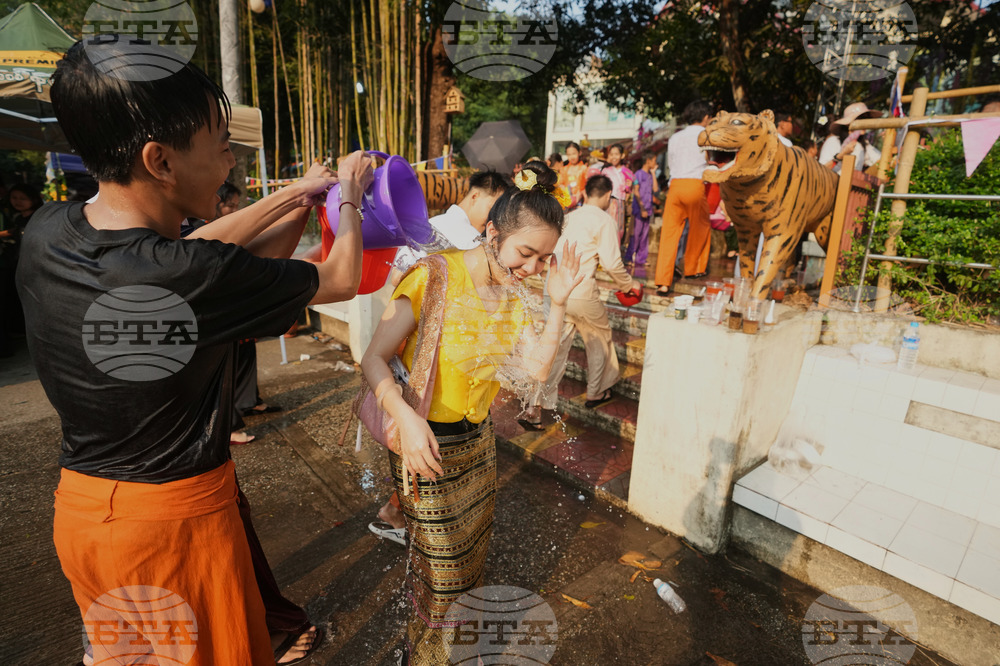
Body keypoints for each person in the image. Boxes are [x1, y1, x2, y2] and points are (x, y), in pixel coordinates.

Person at [20, 39, 374, 665]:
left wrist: (293, 197)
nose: (230, 165)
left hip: (82, 515)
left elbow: (194, 256)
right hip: (174, 529)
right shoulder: (185, 276)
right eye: (220, 148)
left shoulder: (49, 233)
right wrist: (348, 193)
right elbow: (339, 277)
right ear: (160, 161)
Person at [360, 161, 582, 664]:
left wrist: (560, 303)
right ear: (492, 232)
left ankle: (439, 653)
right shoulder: (435, 274)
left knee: (471, 562)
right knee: (443, 576)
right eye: (526, 253)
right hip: (424, 445)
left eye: (543, 260)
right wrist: (408, 418)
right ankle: (425, 658)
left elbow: (537, 372)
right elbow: (372, 359)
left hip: (478, 446)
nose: (531, 268)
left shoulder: (518, 295)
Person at [520, 174, 640, 428]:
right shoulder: (604, 220)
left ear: (585, 194)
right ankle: (597, 391)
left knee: (552, 352)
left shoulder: (569, 216)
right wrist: (630, 285)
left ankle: (534, 407)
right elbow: (612, 263)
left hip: (554, 290)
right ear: (608, 196)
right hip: (580, 291)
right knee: (599, 338)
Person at [654, 100, 712, 295]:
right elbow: (708, 162)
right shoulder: (706, 135)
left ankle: (663, 282)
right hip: (695, 185)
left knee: (669, 236)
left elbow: (671, 163)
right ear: (705, 117)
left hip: (675, 186)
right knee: (700, 228)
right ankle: (693, 269)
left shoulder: (675, 137)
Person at [0, 183, 42, 356]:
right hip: (17, 264)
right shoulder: (17, 219)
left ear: (33, 199)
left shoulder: (39, 217)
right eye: (14, 198)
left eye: (23, 198)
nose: (18, 202)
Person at [588, 143, 634, 244]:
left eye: (616, 154)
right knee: (605, 226)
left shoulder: (627, 171)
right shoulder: (605, 170)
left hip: (619, 202)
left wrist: (629, 187)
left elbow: (629, 188)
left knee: (618, 227)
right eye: (611, 154)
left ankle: (615, 249)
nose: (614, 157)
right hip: (606, 202)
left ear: (622, 155)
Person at [625, 151, 658, 267]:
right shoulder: (638, 174)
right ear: (648, 161)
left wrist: (654, 173)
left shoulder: (650, 175)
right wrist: (642, 208)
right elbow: (636, 191)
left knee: (644, 236)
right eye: (654, 160)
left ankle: (641, 258)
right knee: (636, 234)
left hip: (648, 210)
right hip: (639, 210)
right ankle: (629, 256)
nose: (655, 163)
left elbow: (655, 188)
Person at [557, 142, 588, 209]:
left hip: (580, 202)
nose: (572, 157)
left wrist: (581, 194)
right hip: (567, 201)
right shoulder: (563, 169)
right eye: (569, 154)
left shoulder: (584, 168)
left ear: (579, 153)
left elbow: (587, 186)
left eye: (574, 153)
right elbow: (560, 184)